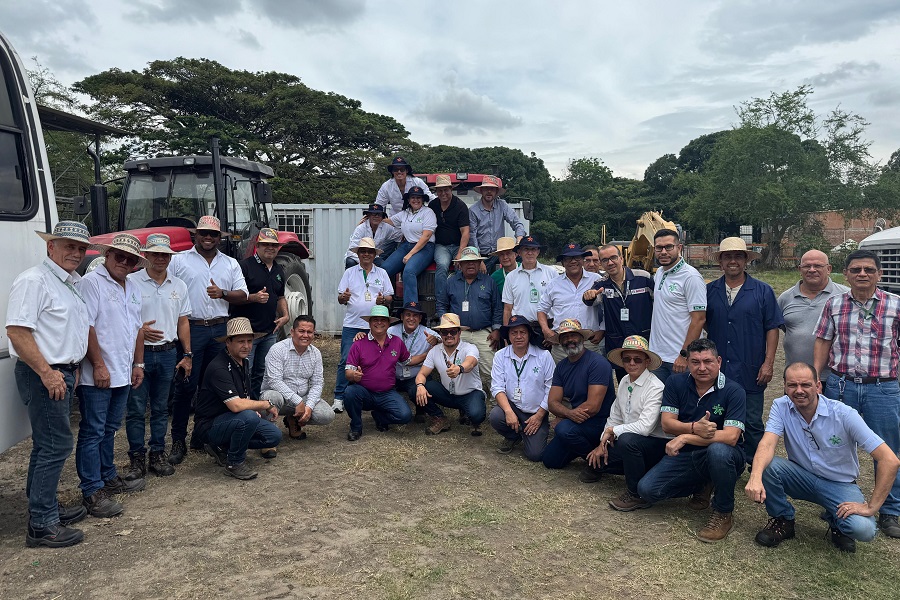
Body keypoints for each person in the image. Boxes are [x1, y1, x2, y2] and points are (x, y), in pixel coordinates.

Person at [746, 363, 900, 553]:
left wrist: (871, 507)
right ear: (785, 386)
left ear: (818, 386)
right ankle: (783, 520)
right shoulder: (781, 406)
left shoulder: (844, 414)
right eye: (792, 385)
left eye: (806, 385)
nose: (799, 391)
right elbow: (767, 444)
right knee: (767, 466)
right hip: (802, 477)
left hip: (840, 484)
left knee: (864, 529)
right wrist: (755, 476)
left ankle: (836, 521)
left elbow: (889, 460)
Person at [7, 222, 92, 547]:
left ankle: (43, 508)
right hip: (45, 374)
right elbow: (17, 331)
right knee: (56, 446)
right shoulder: (34, 280)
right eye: (68, 246)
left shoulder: (71, 282)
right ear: (50, 247)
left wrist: (74, 367)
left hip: (61, 371)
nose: (75, 253)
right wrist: (47, 372)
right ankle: (42, 524)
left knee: (47, 445)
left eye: (80, 248)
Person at [814, 249, 900, 539]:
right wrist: (816, 375)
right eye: (855, 270)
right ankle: (834, 501)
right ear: (846, 274)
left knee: (888, 449)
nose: (862, 274)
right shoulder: (834, 304)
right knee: (834, 444)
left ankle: (891, 509)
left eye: (868, 269)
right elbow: (824, 340)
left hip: (883, 387)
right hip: (841, 384)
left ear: (879, 273)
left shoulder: (895, 305)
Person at [636, 338, 746, 543]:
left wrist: (686, 435)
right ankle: (702, 483)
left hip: (725, 454)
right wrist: (695, 427)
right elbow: (668, 424)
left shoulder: (734, 390)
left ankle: (723, 511)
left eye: (708, 361)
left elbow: (731, 437)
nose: (702, 367)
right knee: (648, 490)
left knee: (718, 452)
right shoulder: (675, 383)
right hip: (686, 455)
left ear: (719, 361)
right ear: (687, 363)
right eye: (695, 362)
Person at [76, 233, 148, 519]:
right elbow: (87, 327)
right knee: (93, 431)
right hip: (100, 373)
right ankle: (92, 490)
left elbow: (138, 329)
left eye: (131, 259)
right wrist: (98, 365)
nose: (125, 262)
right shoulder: (91, 283)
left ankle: (107, 477)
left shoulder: (132, 287)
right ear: (107, 255)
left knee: (108, 429)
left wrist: (138, 363)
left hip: (122, 371)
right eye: (120, 256)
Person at [168, 215, 249, 464]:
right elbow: (166, 288)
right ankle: (178, 440)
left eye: (213, 234)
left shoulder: (231, 264)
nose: (208, 237)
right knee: (186, 386)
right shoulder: (179, 261)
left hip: (220, 329)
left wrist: (223, 293)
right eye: (204, 233)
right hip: (191, 328)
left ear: (219, 238)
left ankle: (203, 436)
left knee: (217, 386)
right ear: (196, 235)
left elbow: (243, 294)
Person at [705, 237, 783, 464]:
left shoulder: (762, 291)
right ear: (720, 261)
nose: (732, 261)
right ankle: (726, 462)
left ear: (745, 261)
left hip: (750, 366)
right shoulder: (710, 290)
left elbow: (772, 328)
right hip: (718, 369)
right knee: (719, 417)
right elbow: (707, 323)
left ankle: (757, 467)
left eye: (738, 256)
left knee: (752, 421)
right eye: (727, 256)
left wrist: (768, 363)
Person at [124, 234, 191, 481]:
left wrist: (188, 354)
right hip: (138, 355)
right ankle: (136, 457)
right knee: (136, 408)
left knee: (161, 408)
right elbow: (123, 316)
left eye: (165, 254)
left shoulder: (179, 285)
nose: (160, 258)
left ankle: (158, 453)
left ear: (170, 257)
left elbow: (183, 321)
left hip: (167, 353)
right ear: (146, 255)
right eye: (155, 254)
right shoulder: (131, 281)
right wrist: (139, 330)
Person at [584, 336, 668, 511]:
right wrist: (602, 443)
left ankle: (636, 494)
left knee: (627, 440)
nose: (631, 363)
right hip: (630, 441)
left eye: (637, 359)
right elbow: (615, 415)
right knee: (594, 462)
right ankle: (637, 472)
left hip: (654, 444)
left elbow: (645, 428)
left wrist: (612, 430)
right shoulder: (624, 380)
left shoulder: (655, 387)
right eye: (627, 359)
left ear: (646, 362)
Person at [196, 318, 282, 480]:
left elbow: (243, 395)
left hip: (231, 419)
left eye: (250, 341)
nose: (247, 346)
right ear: (228, 342)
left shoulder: (243, 362)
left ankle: (224, 446)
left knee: (273, 436)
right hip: (210, 424)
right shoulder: (219, 367)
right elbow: (236, 405)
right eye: (241, 341)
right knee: (248, 417)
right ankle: (234, 463)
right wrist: (265, 404)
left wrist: (250, 408)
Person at [542, 319, 616, 473]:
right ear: (560, 342)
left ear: (582, 338)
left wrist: (566, 417)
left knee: (563, 428)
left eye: (573, 336)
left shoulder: (598, 363)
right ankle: (585, 448)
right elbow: (552, 402)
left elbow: (593, 407)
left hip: (600, 422)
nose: (569, 340)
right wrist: (568, 413)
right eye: (564, 337)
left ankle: (599, 462)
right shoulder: (561, 366)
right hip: (577, 419)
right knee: (550, 460)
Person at [332, 237, 394, 414]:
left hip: (376, 325)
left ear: (375, 255)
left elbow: (389, 297)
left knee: (375, 361)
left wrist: (384, 300)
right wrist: (342, 298)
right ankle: (339, 397)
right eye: (363, 251)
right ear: (358, 254)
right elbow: (340, 297)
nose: (366, 254)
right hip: (353, 323)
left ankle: (371, 394)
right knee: (346, 359)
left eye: (370, 251)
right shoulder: (350, 272)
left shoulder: (382, 273)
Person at [436, 247, 502, 407]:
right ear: (460, 265)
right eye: (466, 262)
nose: (470, 264)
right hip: (458, 334)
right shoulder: (451, 281)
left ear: (480, 263)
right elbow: (441, 304)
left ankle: (495, 406)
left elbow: (497, 307)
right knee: (460, 370)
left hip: (484, 332)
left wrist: (496, 330)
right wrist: (447, 326)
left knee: (489, 370)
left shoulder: (489, 281)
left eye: (474, 261)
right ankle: (463, 407)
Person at [229, 228, 289, 400]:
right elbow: (232, 298)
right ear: (258, 246)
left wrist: (286, 315)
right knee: (243, 371)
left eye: (274, 245)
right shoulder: (244, 266)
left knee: (262, 373)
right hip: (247, 333)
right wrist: (253, 297)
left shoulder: (278, 270)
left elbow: (280, 296)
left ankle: (257, 405)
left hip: (269, 331)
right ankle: (243, 407)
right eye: (266, 245)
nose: (270, 248)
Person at [582, 244, 653, 381]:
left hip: (644, 341)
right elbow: (590, 300)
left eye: (613, 257)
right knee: (625, 382)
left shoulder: (643, 278)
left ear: (621, 259)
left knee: (648, 382)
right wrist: (588, 295)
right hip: (619, 345)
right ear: (601, 264)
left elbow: (661, 302)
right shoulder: (601, 284)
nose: (610, 262)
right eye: (605, 260)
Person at [489, 315, 555, 460]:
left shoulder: (544, 356)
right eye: (514, 333)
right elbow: (497, 387)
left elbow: (552, 389)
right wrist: (508, 412)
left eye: (522, 332)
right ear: (508, 336)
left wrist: (539, 417)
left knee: (535, 455)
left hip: (536, 412)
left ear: (529, 334)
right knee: (495, 416)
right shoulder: (500, 356)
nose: (518, 336)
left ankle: (529, 433)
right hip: (513, 407)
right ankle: (514, 435)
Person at [343, 305, 412, 441]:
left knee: (405, 416)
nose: (379, 323)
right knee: (350, 393)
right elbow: (348, 372)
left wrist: (430, 353)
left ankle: (380, 417)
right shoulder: (359, 343)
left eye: (383, 320)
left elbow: (408, 361)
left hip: (387, 392)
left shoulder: (397, 342)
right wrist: (353, 375)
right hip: (364, 392)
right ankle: (356, 427)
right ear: (369, 323)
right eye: (375, 320)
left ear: (388, 323)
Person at [777, 249, 848, 382]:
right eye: (807, 266)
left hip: (835, 377)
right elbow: (783, 328)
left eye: (818, 266)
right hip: (797, 378)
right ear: (800, 269)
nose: (812, 270)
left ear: (829, 269)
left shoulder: (845, 296)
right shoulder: (785, 298)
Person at [260, 315, 335, 441]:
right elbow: (274, 381)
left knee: (327, 415)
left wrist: (309, 406)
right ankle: (268, 437)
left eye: (309, 332)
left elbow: (317, 383)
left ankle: (293, 419)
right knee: (271, 398)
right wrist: (298, 401)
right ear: (292, 332)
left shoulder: (315, 353)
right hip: (280, 398)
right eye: (301, 331)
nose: (305, 335)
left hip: (302, 398)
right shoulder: (277, 349)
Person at [648, 228, 706, 383]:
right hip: (657, 357)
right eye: (659, 248)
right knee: (658, 405)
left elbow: (699, 319)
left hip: (679, 360)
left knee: (680, 405)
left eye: (669, 247)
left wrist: (684, 354)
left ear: (679, 248)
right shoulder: (659, 272)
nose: (663, 252)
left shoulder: (691, 277)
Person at [415, 313, 486, 436]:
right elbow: (421, 373)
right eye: (444, 332)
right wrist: (420, 385)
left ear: (459, 333)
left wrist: (460, 368)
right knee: (417, 388)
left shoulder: (470, 347)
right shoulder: (435, 351)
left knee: (477, 415)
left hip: (470, 394)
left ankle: (470, 415)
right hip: (448, 393)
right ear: (440, 334)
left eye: (453, 332)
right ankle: (439, 418)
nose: (449, 335)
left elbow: (471, 362)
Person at [537, 243, 602, 362]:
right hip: (562, 344)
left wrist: (603, 330)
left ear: (582, 260)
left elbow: (608, 308)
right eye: (568, 258)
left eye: (577, 258)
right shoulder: (553, 284)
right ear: (562, 263)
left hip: (589, 342)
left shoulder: (596, 280)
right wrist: (546, 330)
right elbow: (541, 310)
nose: (573, 261)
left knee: (592, 377)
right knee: (562, 377)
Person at [382, 186, 437, 305]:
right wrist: (372, 218)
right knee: (384, 270)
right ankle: (384, 303)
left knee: (409, 271)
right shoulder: (404, 214)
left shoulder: (428, 213)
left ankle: (411, 308)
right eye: (413, 197)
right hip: (406, 245)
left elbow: (426, 236)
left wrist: (410, 254)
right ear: (408, 200)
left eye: (419, 198)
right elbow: (390, 221)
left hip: (425, 248)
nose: (416, 200)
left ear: (423, 200)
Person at [386, 302, 440, 421]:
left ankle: (426, 412)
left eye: (415, 316)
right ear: (401, 316)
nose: (411, 318)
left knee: (419, 385)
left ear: (420, 318)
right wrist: (359, 335)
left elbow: (445, 343)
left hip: (414, 376)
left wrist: (436, 341)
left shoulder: (428, 333)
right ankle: (384, 415)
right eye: (408, 315)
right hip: (393, 375)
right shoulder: (391, 331)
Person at [468, 175, 525, 272]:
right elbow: (472, 236)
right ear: (481, 191)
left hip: (501, 253)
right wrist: (479, 259)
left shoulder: (502, 205)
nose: (489, 192)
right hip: (482, 255)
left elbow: (517, 223)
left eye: (492, 189)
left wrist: (519, 241)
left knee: (525, 262)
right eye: (486, 189)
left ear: (496, 192)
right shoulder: (473, 210)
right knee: (482, 281)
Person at [429, 175, 471, 305]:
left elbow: (465, 232)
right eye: (440, 190)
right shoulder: (432, 205)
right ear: (436, 192)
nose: (443, 193)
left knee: (461, 266)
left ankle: (459, 301)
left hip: (459, 245)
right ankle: (440, 303)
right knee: (442, 265)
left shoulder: (460, 206)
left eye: (446, 190)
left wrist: (460, 252)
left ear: (451, 189)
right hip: (441, 245)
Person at [501, 235, 558, 329]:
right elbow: (507, 309)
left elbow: (559, 303)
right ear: (519, 252)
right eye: (526, 249)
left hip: (548, 326)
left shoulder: (551, 272)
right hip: (520, 327)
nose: (530, 253)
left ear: (538, 251)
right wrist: (507, 334)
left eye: (533, 249)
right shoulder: (511, 277)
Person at [344, 204, 401, 268]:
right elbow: (351, 251)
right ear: (368, 216)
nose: (376, 217)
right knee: (350, 262)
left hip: (373, 257)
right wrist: (366, 263)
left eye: (379, 214)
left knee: (384, 266)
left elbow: (399, 234)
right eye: (373, 214)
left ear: (382, 217)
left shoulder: (386, 227)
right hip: (357, 257)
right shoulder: (360, 228)